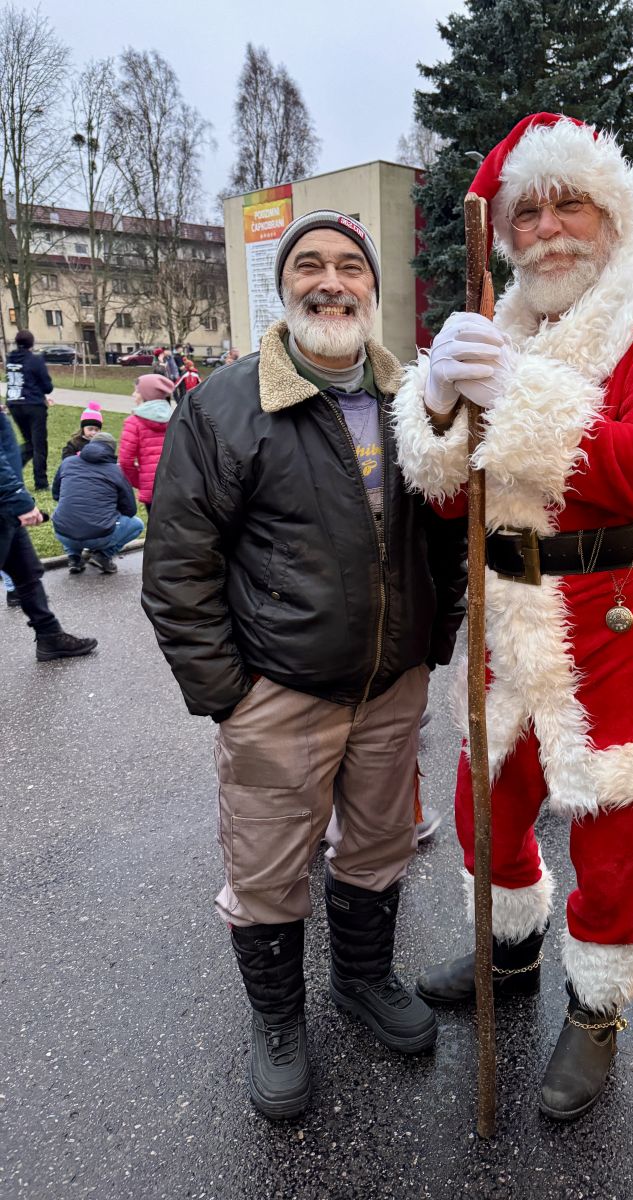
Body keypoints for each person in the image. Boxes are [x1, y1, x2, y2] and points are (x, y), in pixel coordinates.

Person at [393, 113, 633, 1122]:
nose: (550, 229)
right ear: (503, 233)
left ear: (612, 211)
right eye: (528, 212)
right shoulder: (500, 321)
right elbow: (451, 501)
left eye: (571, 204)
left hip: (628, 610)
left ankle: (596, 1009)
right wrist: (439, 402)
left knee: (613, 834)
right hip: (514, 614)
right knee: (484, 807)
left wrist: (520, 395)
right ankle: (511, 952)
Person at [141, 209, 468, 1121]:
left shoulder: (417, 402)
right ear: (283, 288)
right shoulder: (226, 406)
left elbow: (447, 538)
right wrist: (231, 697)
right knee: (268, 868)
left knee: (380, 846)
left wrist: (431, 645)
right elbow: (177, 569)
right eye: (310, 265)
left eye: (350, 267)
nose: (331, 282)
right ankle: (279, 1020)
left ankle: (361, 979)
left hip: (391, 689)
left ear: (373, 289)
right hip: (277, 694)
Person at [0, 408, 97, 659]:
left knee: (27, 572)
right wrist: (17, 499)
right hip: (5, 504)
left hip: (7, 509)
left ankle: (50, 635)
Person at [51, 432, 144, 574]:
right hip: (100, 536)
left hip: (63, 533)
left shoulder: (68, 462)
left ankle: (74, 557)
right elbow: (130, 510)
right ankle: (103, 555)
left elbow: (56, 494)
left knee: (67, 513)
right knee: (137, 525)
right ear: (112, 450)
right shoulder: (116, 471)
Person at [118, 376, 177, 514]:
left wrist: (141, 481)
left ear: (147, 395)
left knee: (156, 526)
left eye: (137, 391)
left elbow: (125, 461)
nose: (133, 394)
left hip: (152, 489)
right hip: (179, 486)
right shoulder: (178, 418)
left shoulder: (134, 422)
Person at [5, 329, 54, 490]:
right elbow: (47, 386)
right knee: (39, 445)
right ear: (32, 343)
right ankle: (41, 482)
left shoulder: (10, 359)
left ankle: (9, 471)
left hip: (14, 404)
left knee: (30, 443)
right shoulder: (35, 360)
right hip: (33, 405)